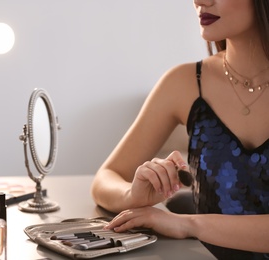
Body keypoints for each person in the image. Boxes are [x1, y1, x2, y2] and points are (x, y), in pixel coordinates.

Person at [91, 0, 269, 259]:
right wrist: (133, 194)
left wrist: (186, 223)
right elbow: (106, 177)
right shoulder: (184, 83)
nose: (200, 1)